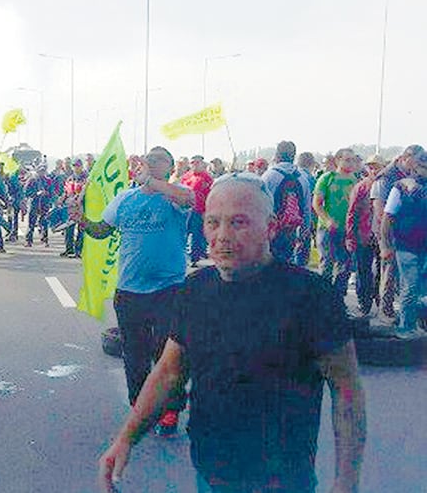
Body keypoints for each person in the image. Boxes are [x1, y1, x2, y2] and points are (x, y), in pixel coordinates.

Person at [98, 173, 366, 493]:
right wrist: (126, 438)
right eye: (213, 222)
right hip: (212, 474)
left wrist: (347, 482)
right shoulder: (194, 291)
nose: (222, 236)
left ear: (271, 227)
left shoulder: (312, 296)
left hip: (283, 480)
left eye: (238, 222)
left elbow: (346, 388)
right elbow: (169, 373)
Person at [71, 146, 192, 436]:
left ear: (170, 167)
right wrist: (82, 219)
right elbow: (102, 230)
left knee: (167, 354)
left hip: (169, 288)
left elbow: (188, 199)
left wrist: (149, 182)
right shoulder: (125, 198)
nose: (151, 160)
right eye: (148, 156)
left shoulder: (175, 196)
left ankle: (170, 410)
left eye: (159, 158)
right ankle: (141, 406)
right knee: (134, 354)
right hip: (130, 290)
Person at [371, 144, 425, 321]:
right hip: (391, 232)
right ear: (407, 158)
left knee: (404, 280)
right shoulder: (387, 177)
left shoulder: (408, 178)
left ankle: (403, 315)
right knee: (389, 273)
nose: (418, 168)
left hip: (407, 235)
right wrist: (385, 242)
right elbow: (381, 211)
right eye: (418, 163)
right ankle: (385, 311)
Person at [313, 148, 360, 297]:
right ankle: (323, 300)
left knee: (344, 266)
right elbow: (316, 204)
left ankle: (338, 300)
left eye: (353, 160)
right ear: (338, 160)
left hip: (347, 230)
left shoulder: (355, 180)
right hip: (327, 229)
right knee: (326, 264)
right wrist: (328, 220)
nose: (351, 163)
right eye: (347, 159)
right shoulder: (327, 178)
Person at [262, 140, 313, 266]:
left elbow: (260, 205)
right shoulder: (302, 178)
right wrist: (304, 233)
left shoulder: (268, 176)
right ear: (293, 156)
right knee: (286, 264)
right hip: (291, 229)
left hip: (270, 229)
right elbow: (306, 209)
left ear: (277, 155)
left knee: (268, 265)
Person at [345, 155, 385, 317]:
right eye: (371, 167)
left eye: (377, 167)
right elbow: (351, 212)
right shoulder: (361, 187)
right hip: (364, 234)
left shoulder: (388, 186)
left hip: (383, 236)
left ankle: (380, 300)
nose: (373, 170)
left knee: (382, 271)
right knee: (363, 270)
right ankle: (364, 303)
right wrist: (349, 236)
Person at [181, 155, 214, 267]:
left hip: (199, 210)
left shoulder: (207, 178)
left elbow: (210, 195)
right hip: (186, 210)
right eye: (193, 162)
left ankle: (194, 258)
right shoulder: (186, 177)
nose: (195, 165)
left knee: (196, 234)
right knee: (183, 233)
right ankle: (183, 256)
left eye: (197, 162)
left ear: (202, 164)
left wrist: (207, 211)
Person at [24, 163, 54, 247]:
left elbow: (52, 193)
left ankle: (45, 240)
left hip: (44, 204)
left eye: (43, 171)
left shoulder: (48, 181)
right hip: (34, 203)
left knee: (44, 223)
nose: (42, 172)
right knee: (31, 223)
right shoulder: (32, 180)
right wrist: (36, 193)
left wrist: (46, 193)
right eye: (40, 170)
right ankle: (28, 240)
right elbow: (26, 192)